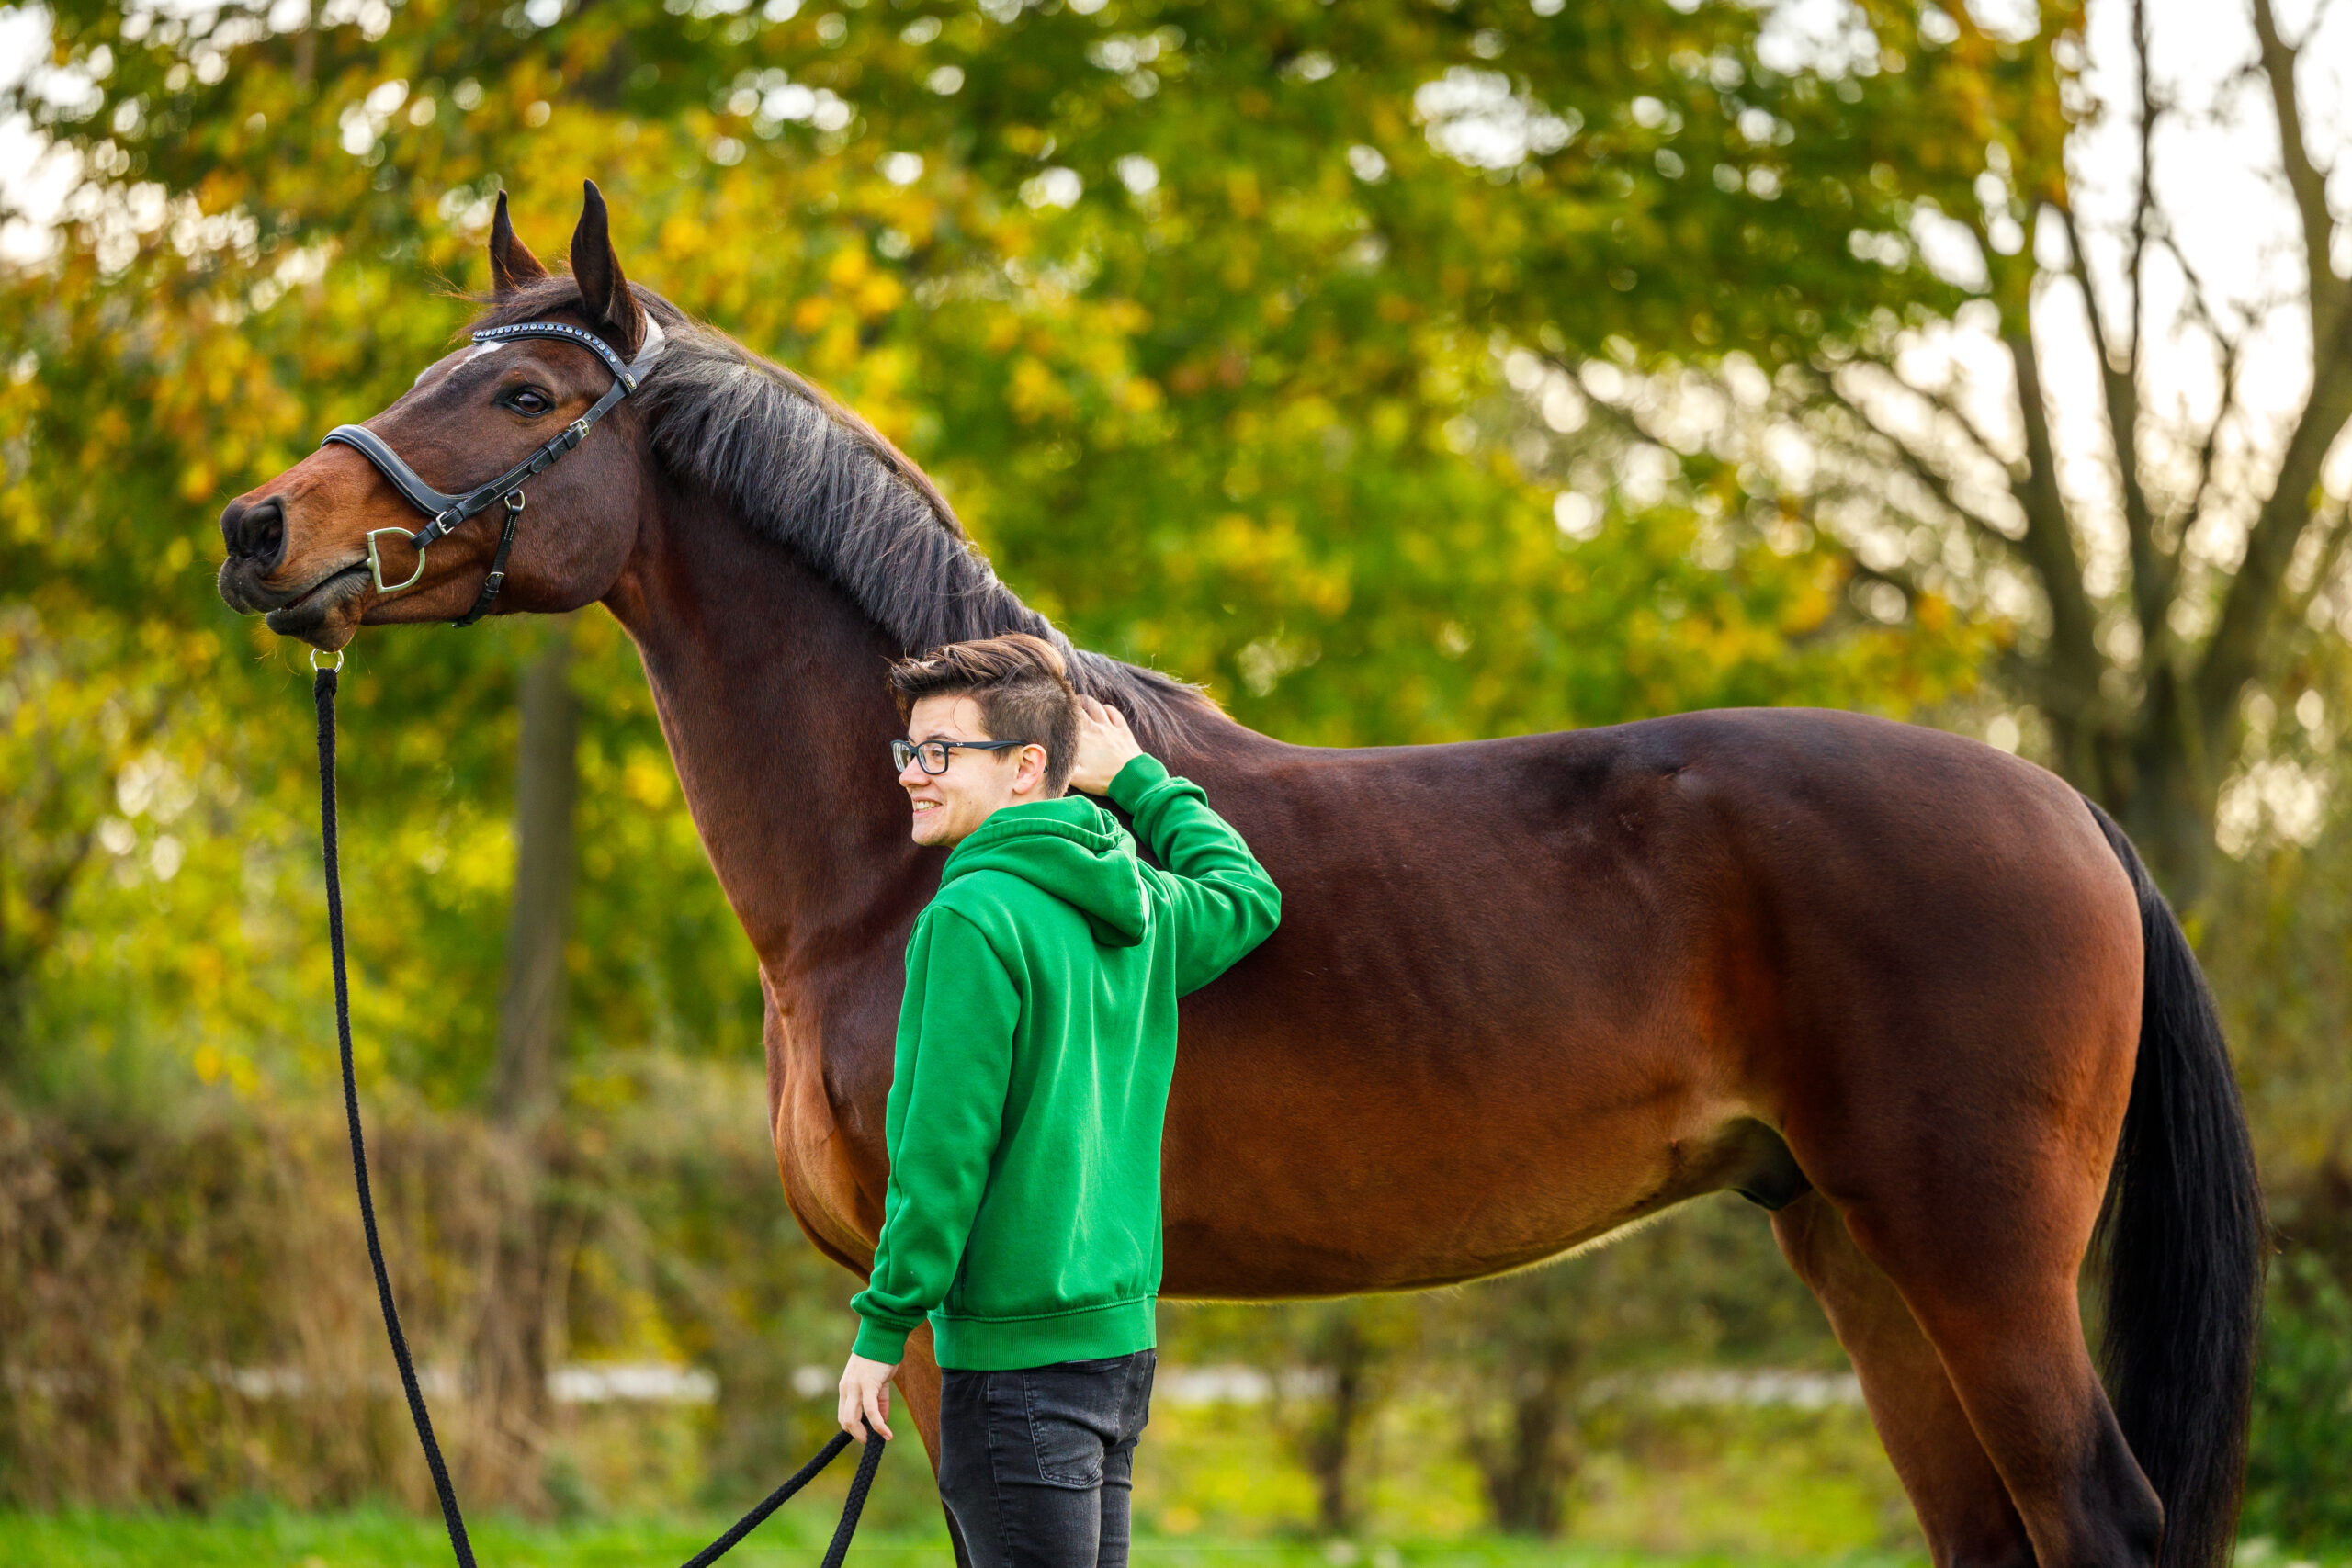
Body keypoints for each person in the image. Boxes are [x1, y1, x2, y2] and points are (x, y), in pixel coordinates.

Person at [836, 631, 1282, 1568]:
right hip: (1115, 1355)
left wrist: (884, 1329)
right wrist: (1138, 781)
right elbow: (1245, 895)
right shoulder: (1143, 908)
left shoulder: (972, 917)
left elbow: (941, 1151)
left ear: (1027, 766)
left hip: (1014, 1375)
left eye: (941, 752)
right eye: (909, 751)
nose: (913, 773)